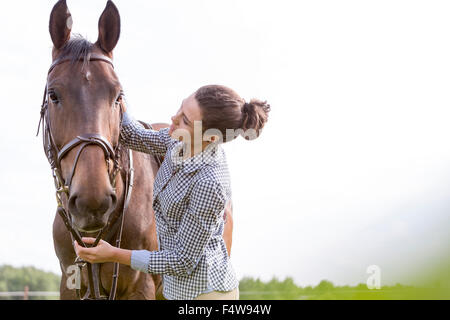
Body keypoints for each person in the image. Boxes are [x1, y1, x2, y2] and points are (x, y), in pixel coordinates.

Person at [74, 84, 271, 300]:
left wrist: (113, 254)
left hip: (206, 295)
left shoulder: (209, 183)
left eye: (186, 120)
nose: (174, 118)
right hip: (176, 292)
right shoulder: (179, 142)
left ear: (211, 138)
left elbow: (182, 261)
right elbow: (133, 136)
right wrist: (113, 92)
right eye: (180, 108)